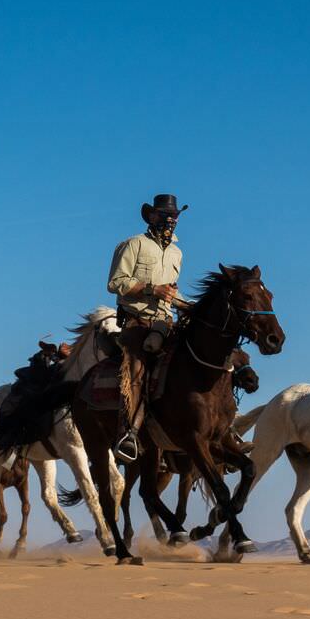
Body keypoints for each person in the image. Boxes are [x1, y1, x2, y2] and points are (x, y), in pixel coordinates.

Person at [106, 193, 186, 463]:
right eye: (165, 215)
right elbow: (116, 282)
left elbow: (173, 292)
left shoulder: (177, 253)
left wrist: (192, 306)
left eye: (173, 216)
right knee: (138, 370)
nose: (170, 220)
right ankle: (129, 433)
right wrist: (153, 289)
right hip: (136, 321)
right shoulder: (133, 245)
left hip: (166, 322)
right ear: (151, 216)